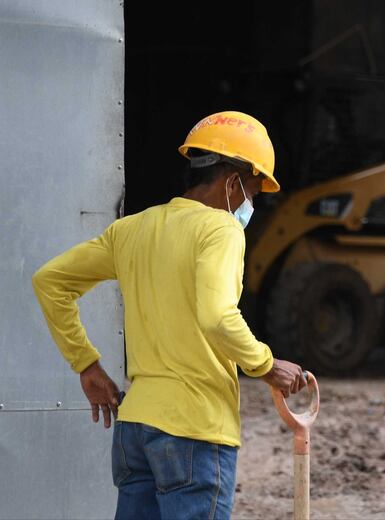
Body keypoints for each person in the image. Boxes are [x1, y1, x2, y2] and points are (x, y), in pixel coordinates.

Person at [32, 111, 308, 520]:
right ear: (233, 182)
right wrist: (267, 366)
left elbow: (50, 281)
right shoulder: (221, 230)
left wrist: (86, 365)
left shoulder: (131, 230)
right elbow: (217, 316)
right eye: (252, 192)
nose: (249, 205)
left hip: (135, 428)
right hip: (194, 429)